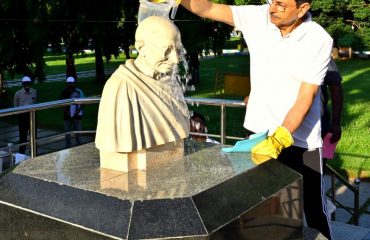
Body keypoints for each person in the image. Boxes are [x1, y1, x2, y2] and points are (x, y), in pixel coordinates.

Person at [180, 0, 334, 239]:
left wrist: (280, 138)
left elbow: (306, 97)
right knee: (258, 207)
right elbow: (207, 8)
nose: (273, 9)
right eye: (272, 1)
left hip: (300, 142)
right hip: (257, 136)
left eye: (281, 5)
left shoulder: (318, 40)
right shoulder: (259, 17)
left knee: (313, 209)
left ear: (303, 8)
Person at [95, 16, 189, 154]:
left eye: (178, 50)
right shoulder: (121, 88)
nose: (175, 60)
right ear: (141, 48)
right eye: (167, 50)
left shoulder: (171, 82)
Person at [321, 58, 343, 158]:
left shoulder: (316, 47)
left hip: (318, 128)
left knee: (313, 171)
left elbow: (335, 86)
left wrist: (336, 124)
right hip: (278, 129)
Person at [14, 76, 37, 154]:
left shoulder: (34, 91)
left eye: (28, 83)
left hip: (32, 115)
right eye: (25, 83)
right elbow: (15, 107)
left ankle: (34, 153)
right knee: (23, 137)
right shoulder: (18, 93)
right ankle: (21, 154)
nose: (27, 84)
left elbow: (35, 102)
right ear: (22, 84)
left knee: (34, 135)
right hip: (22, 116)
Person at [60, 76, 84, 148]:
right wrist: (67, 112)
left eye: (71, 83)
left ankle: (79, 145)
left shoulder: (79, 91)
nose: (70, 85)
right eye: (69, 83)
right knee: (67, 131)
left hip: (77, 115)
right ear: (66, 83)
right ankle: (68, 146)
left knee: (78, 131)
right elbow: (61, 104)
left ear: (74, 83)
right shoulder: (64, 92)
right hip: (67, 115)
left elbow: (83, 102)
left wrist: (78, 111)